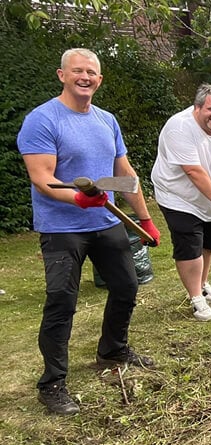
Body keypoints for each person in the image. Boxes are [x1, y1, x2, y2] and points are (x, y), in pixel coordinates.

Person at [17, 48, 160, 415]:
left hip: (106, 221)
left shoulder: (106, 121)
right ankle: (52, 383)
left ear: (99, 79)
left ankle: (112, 349)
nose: (85, 77)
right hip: (62, 227)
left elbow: (122, 177)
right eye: (77, 71)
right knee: (61, 301)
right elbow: (43, 179)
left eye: (92, 72)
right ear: (62, 75)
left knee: (127, 287)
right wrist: (79, 199)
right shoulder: (43, 120)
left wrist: (144, 220)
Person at [152, 84, 211, 321]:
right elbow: (193, 172)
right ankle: (196, 299)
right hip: (178, 195)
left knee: (209, 242)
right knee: (190, 244)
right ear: (197, 108)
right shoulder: (179, 127)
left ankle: (203, 284)